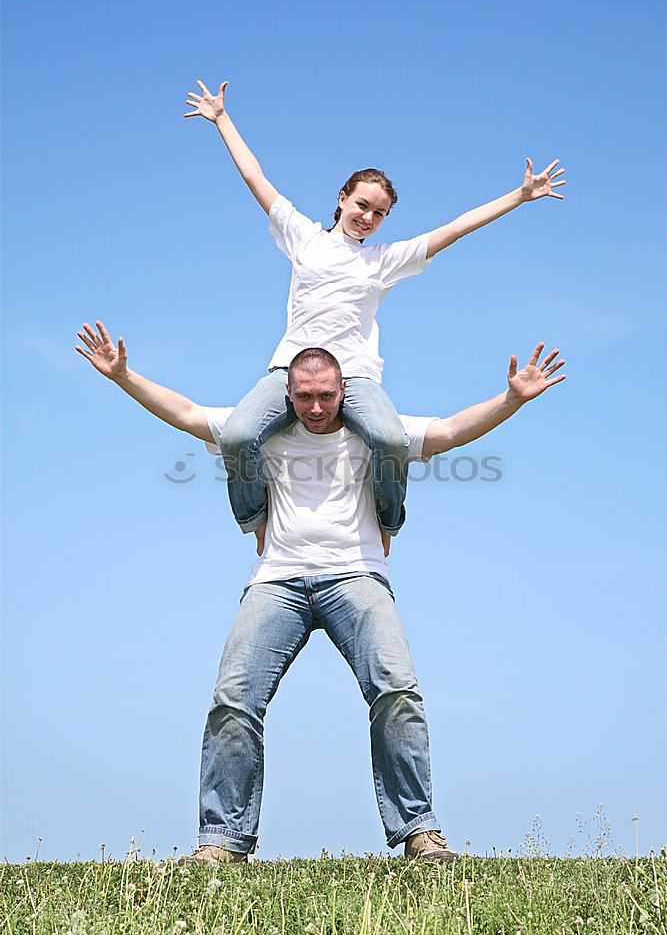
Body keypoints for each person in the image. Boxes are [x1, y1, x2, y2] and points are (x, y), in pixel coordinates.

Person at [75, 321, 566, 864]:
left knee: (397, 690)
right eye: (304, 396)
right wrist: (123, 376)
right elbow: (189, 415)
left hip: (356, 575)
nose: (314, 408)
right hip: (277, 579)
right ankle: (221, 843)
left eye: (325, 396)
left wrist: (512, 399)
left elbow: (449, 431)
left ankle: (420, 834)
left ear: (344, 391)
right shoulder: (261, 434)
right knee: (233, 700)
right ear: (286, 392)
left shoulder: (373, 432)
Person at [184, 79, 566, 555]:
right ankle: (255, 519)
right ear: (342, 197)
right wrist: (222, 119)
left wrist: (518, 196)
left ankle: (388, 522)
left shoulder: (384, 260)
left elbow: (454, 229)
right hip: (292, 370)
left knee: (387, 437)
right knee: (239, 435)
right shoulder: (305, 238)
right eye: (362, 205)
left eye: (379, 213)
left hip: (356, 376)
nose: (368, 217)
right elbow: (255, 179)